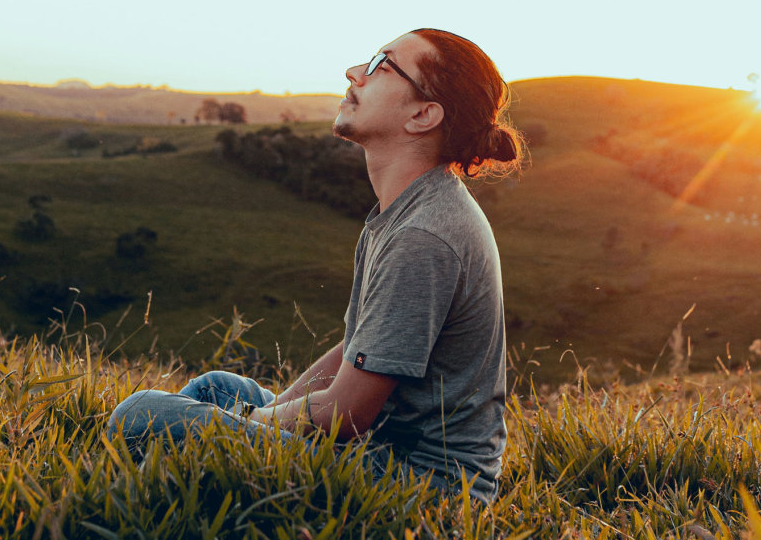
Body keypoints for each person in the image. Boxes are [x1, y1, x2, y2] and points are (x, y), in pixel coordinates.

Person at [107, 28, 524, 503]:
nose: (354, 73)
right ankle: (175, 486)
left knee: (140, 413)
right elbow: (357, 349)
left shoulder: (422, 235)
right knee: (218, 388)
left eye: (381, 65)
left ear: (422, 115)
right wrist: (269, 416)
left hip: (424, 487)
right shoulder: (413, 209)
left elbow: (346, 414)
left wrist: (254, 424)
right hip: (383, 454)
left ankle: (165, 491)